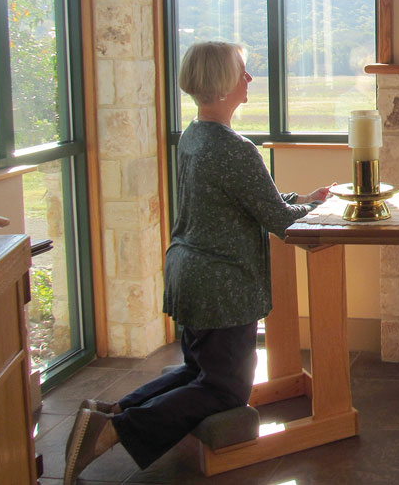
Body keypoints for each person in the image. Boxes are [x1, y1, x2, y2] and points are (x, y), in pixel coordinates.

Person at [64, 41, 332, 484]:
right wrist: (322, 211)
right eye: (243, 72)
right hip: (221, 286)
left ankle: (111, 410)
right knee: (224, 388)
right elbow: (278, 221)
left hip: (190, 274)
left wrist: (306, 199)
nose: (249, 79)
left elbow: (251, 201)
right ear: (223, 84)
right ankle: (113, 431)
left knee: (197, 370)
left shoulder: (194, 136)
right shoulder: (234, 148)